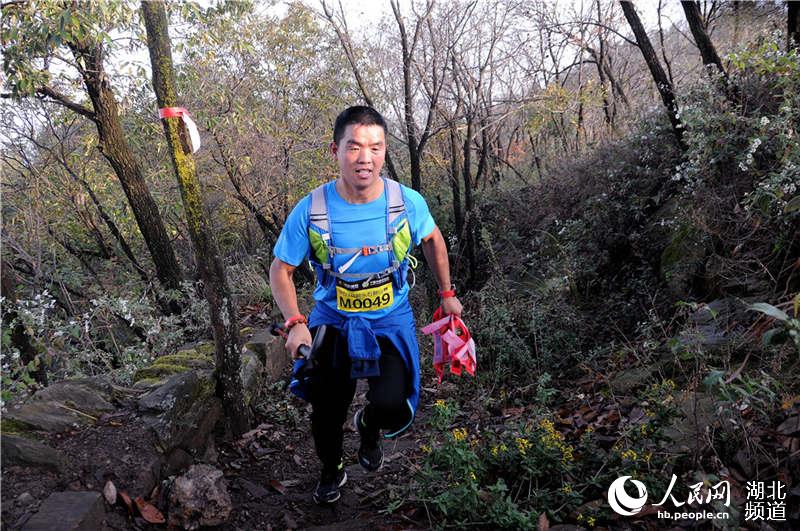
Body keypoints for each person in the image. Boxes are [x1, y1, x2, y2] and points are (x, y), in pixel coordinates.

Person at [269, 105, 462, 504]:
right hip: (333, 319)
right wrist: (294, 322)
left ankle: (369, 426)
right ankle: (331, 468)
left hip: (390, 317)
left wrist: (447, 293)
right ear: (335, 150)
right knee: (326, 408)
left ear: (385, 151)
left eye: (375, 148)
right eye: (354, 147)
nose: (365, 158)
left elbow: (432, 241)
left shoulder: (405, 201)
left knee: (394, 404)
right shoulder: (312, 209)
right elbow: (280, 269)